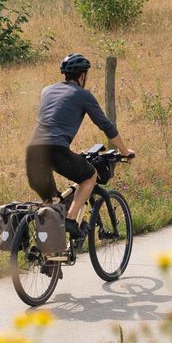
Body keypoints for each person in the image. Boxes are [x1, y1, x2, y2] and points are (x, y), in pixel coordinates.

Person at [26, 53, 134, 244]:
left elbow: (54, 117)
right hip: (55, 150)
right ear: (82, 76)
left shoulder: (46, 90)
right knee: (89, 176)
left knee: (52, 204)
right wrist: (125, 152)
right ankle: (70, 219)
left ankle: (50, 257)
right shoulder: (82, 95)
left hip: (32, 152)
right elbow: (106, 126)